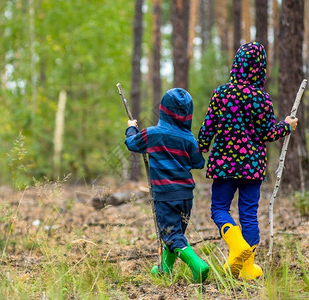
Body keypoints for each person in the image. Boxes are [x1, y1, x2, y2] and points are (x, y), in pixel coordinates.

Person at [197, 42, 298, 280]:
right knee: (249, 214)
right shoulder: (262, 98)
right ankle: (248, 268)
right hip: (252, 166)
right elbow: (267, 133)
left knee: (219, 209)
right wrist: (286, 126)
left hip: (224, 164)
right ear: (260, 69)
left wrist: (201, 147)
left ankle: (236, 247)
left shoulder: (221, 93)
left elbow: (208, 125)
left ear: (237, 65)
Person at [125, 88, 210, 283]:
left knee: (170, 235)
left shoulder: (152, 134)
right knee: (176, 232)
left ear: (163, 109)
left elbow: (132, 143)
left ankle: (197, 265)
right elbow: (198, 163)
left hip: (165, 194)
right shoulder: (188, 138)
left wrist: (131, 128)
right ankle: (165, 270)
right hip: (186, 195)